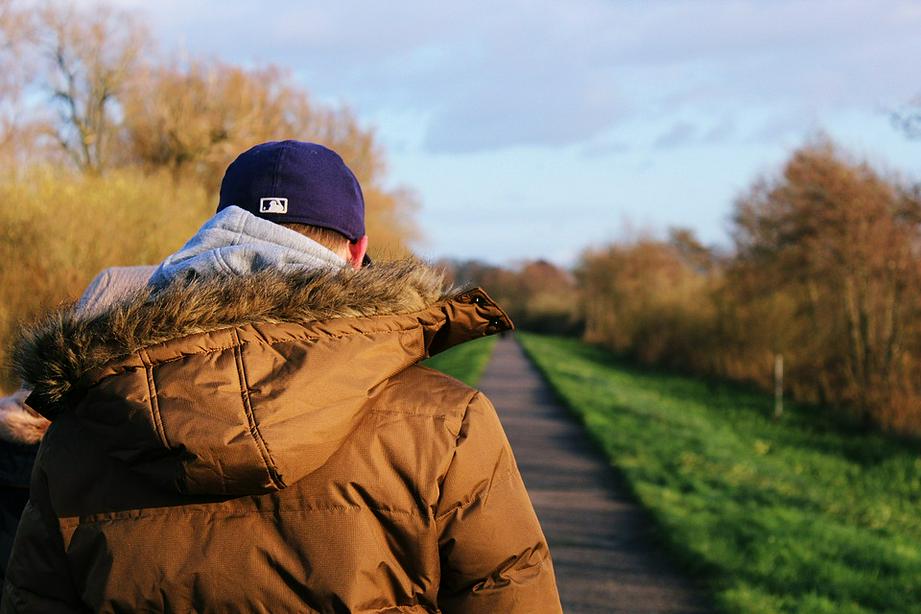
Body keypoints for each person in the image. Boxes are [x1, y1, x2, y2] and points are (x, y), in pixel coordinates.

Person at [2, 140, 562, 613]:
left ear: (217, 236)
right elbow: (508, 592)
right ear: (358, 251)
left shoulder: (83, 419)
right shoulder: (447, 423)